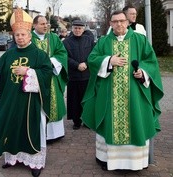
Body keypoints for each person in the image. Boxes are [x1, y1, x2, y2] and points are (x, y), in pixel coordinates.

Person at [81, 10, 164, 171]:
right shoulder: (104, 42)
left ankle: (136, 162)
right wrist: (109, 60)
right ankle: (107, 159)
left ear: (127, 22)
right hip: (109, 94)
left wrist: (143, 73)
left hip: (135, 95)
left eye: (121, 21)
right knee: (109, 122)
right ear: (110, 24)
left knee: (136, 120)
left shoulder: (140, 40)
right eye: (115, 21)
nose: (119, 24)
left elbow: (151, 62)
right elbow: (92, 59)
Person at [0, 8, 52, 177]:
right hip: (11, 101)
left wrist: (29, 72)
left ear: (30, 35)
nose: (20, 38)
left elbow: (47, 74)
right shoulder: (8, 54)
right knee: (12, 127)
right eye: (17, 35)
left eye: (23, 35)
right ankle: (12, 159)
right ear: (14, 36)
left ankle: (35, 163)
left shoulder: (39, 54)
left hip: (31, 102)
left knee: (31, 130)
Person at [31, 15, 68, 141]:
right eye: (42, 24)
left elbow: (62, 53)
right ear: (34, 25)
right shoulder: (29, 38)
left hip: (52, 76)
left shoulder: (53, 38)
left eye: (46, 23)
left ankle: (54, 134)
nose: (45, 26)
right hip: (35, 78)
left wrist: (52, 61)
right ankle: (39, 134)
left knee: (54, 103)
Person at [63, 20, 94, 130]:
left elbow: (93, 54)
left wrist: (86, 63)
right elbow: (64, 57)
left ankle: (87, 120)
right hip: (74, 76)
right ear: (72, 28)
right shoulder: (66, 42)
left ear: (84, 29)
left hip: (87, 76)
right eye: (75, 28)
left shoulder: (89, 40)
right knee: (74, 101)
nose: (77, 30)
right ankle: (76, 121)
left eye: (80, 28)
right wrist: (77, 65)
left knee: (87, 100)